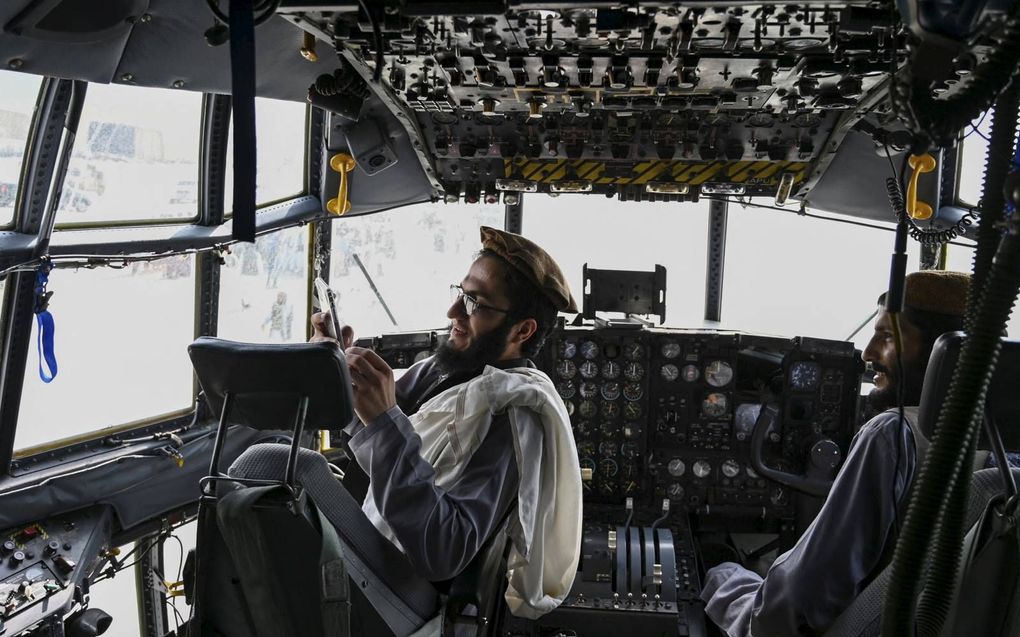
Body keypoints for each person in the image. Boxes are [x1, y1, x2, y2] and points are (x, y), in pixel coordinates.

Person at [311, 226, 583, 620]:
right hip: (373, 547)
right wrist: (333, 369)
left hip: (404, 590)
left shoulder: (513, 416)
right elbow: (371, 432)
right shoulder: (443, 368)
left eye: (475, 303)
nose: (454, 312)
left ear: (522, 330)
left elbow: (444, 549)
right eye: (460, 292)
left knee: (276, 466)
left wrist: (385, 424)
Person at [701, 270, 971, 637]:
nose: (870, 352)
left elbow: (794, 604)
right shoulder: (1004, 450)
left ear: (945, 353)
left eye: (887, 337)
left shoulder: (894, 434)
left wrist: (722, 579)